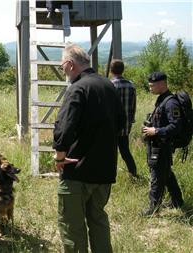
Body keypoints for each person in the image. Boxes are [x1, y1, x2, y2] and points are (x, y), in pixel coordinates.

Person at [53, 44, 125, 253]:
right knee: (98, 221)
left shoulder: (77, 88)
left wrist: (59, 158)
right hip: (104, 171)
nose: (63, 71)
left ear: (70, 64)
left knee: (72, 228)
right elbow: (121, 123)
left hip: (77, 171)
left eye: (62, 67)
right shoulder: (108, 85)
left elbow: (64, 127)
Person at [141, 71, 184, 216]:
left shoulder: (171, 102)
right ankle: (177, 201)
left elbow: (176, 126)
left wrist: (156, 131)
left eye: (152, 86)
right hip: (157, 144)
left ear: (161, 84)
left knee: (157, 176)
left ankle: (153, 208)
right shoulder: (162, 99)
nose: (150, 88)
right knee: (166, 174)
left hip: (162, 146)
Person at [110, 59, 138, 178]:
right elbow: (133, 106)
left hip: (111, 126)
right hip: (125, 126)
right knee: (125, 151)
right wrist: (131, 120)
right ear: (123, 70)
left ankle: (110, 175)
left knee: (110, 153)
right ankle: (133, 173)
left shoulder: (109, 85)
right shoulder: (131, 85)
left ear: (111, 71)